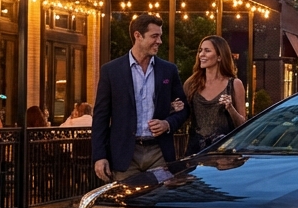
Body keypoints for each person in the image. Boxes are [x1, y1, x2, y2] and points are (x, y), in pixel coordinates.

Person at [92, 14, 188, 182]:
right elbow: (101, 117)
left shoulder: (168, 70)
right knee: (128, 207)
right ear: (138, 36)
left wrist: (167, 124)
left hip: (159, 152)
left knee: (159, 203)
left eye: (160, 36)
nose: (159, 41)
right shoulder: (111, 71)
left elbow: (184, 109)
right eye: (154, 36)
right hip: (125, 155)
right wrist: (99, 156)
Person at [172, 35, 247, 153]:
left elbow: (243, 126)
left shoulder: (234, 84)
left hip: (223, 154)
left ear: (219, 56)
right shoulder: (191, 84)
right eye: (200, 51)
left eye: (207, 51)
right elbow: (182, 117)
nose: (201, 54)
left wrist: (230, 108)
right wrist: (174, 108)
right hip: (195, 151)